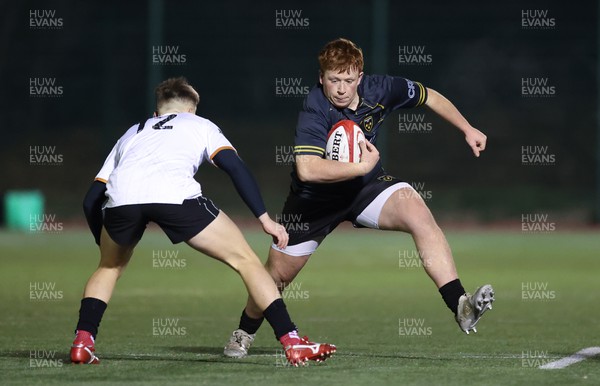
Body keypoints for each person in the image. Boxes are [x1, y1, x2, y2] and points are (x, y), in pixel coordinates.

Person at [223, 38, 495, 358]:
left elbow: (430, 96)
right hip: (314, 203)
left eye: (348, 80)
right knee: (277, 277)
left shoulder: (381, 89)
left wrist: (467, 128)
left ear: (361, 78)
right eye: (333, 80)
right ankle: (244, 332)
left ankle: (461, 305)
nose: (341, 88)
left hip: (366, 189)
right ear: (320, 78)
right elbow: (308, 169)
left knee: (418, 213)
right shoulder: (315, 108)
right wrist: (360, 165)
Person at [71, 77, 336, 366]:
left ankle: (83, 343)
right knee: (246, 261)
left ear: (157, 112)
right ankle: (292, 342)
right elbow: (235, 167)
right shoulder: (200, 125)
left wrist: (105, 241)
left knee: (108, 267)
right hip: (176, 197)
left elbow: (90, 200)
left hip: (122, 200)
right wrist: (264, 219)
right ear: (192, 110)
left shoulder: (133, 132)